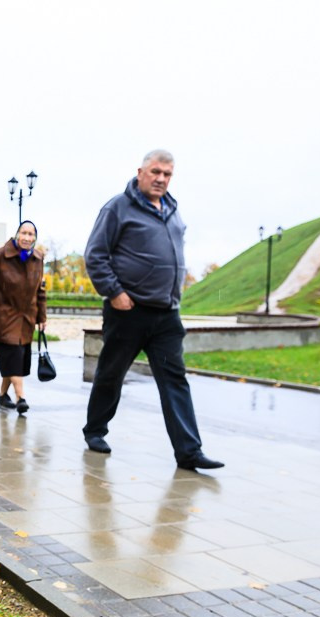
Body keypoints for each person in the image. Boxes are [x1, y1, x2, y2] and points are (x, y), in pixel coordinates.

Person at [82, 150, 224, 470]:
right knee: (111, 373)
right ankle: (95, 430)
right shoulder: (118, 207)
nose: (161, 179)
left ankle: (189, 451)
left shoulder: (173, 210)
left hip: (165, 314)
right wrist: (114, 292)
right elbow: (95, 254)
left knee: (175, 380)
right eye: (156, 172)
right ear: (141, 172)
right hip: (128, 311)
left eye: (167, 174)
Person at [0, 220, 47, 415]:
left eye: (31, 234)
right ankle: (21, 397)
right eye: (24, 233)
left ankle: (3, 395)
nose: (27, 238)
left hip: (26, 319)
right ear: (16, 234)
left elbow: (40, 290)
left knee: (16, 361)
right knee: (13, 358)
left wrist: (42, 317)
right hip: (2, 317)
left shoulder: (38, 259)